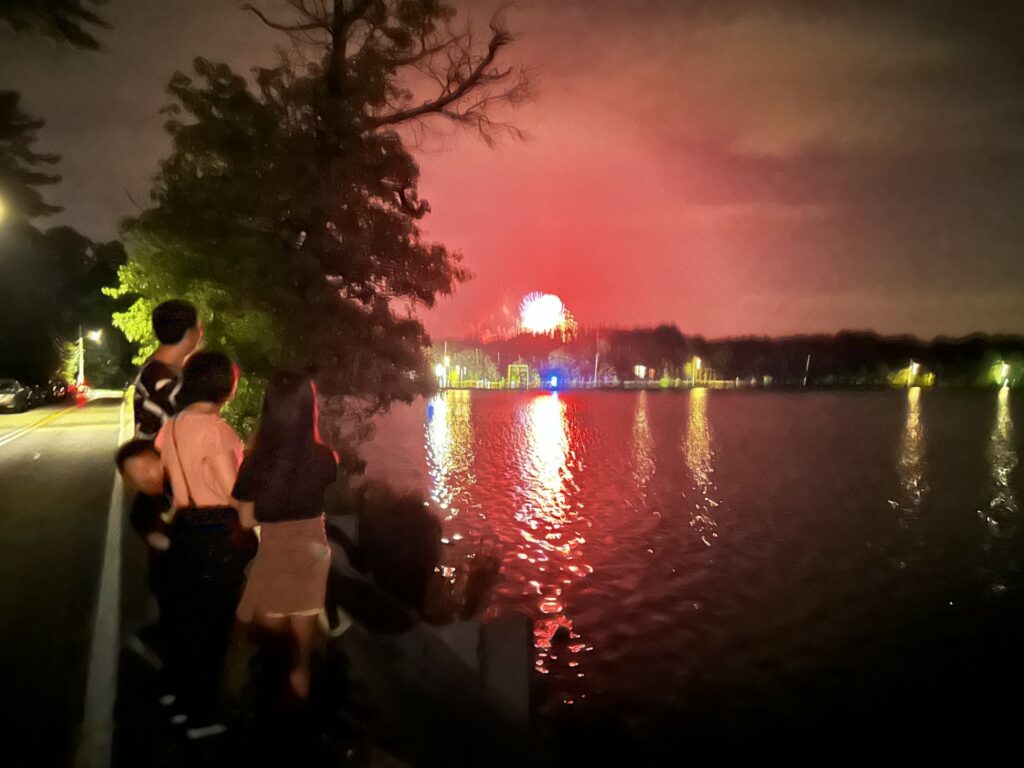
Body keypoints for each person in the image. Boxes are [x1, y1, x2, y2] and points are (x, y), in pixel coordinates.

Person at [155, 351, 256, 739]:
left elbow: (169, 475)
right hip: (215, 535)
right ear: (224, 386)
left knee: (184, 622)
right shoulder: (216, 431)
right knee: (211, 630)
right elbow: (233, 493)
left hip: (181, 528)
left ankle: (178, 702)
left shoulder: (172, 425)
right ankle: (198, 718)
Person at [232, 371, 338, 706]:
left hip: (274, 552)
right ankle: (301, 685)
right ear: (309, 410)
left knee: (271, 646)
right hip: (313, 553)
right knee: (302, 646)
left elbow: (246, 520)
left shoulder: (253, 463)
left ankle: (269, 700)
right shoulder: (325, 458)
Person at [134, 299, 202, 440]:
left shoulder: (154, 370)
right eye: (198, 327)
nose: (201, 333)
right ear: (189, 334)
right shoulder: (164, 383)